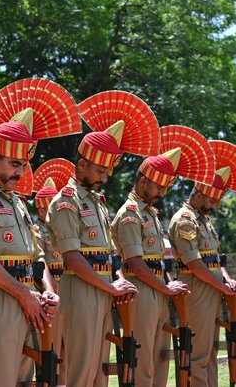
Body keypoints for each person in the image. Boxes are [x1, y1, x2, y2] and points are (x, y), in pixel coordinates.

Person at [0, 78, 78, 386]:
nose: (20, 173)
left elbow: (37, 255)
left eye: (23, 165)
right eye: (13, 164)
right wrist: (26, 296)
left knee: (23, 381)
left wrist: (47, 289)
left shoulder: (17, 202)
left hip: (28, 300)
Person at [46, 90, 160, 387]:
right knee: (80, 372)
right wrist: (111, 285)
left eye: (108, 170)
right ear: (81, 164)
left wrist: (118, 280)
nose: (105, 176)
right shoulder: (65, 201)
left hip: (104, 288)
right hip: (81, 289)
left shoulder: (97, 201)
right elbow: (72, 257)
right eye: (100, 169)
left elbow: (109, 253)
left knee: (100, 373)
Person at [111, 125, 215, 386]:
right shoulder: (129, 213)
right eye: (159, 187)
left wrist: (167, 285)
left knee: (161, 359)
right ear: (143, 181)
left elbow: (157, 260)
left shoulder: (150, 214)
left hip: (157, 289)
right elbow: (135, 262)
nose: (162, 194)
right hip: (142, 290)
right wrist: (165, 289)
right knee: (142, 360)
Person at [169, 140, 236, 386]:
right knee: (196, 353)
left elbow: (215, 259)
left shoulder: (203, 219)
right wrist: (221, 287)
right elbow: (195, 264)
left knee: (209, 353)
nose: (214, 206)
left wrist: (227, 279)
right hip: (196, 289)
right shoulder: (185, 220)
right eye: (211, 201)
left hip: (211, 288)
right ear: (198, 194)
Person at [32, 159, 75, 385]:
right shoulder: (37, 231)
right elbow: (39, 265)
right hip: (51, 300)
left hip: (69, 295)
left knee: (69, 354)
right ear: (41, 208)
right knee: (52, 354)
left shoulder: (61, 229)